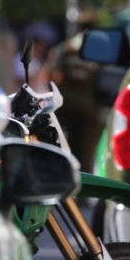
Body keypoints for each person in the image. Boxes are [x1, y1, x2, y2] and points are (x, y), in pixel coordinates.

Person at [47, 10, 104, 172]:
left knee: (64, 148)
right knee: (85, 153)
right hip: (88, 108)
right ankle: (84, 188)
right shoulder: (99, 50)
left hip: (65, 107)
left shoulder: (66, 48)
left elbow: (53, 75)